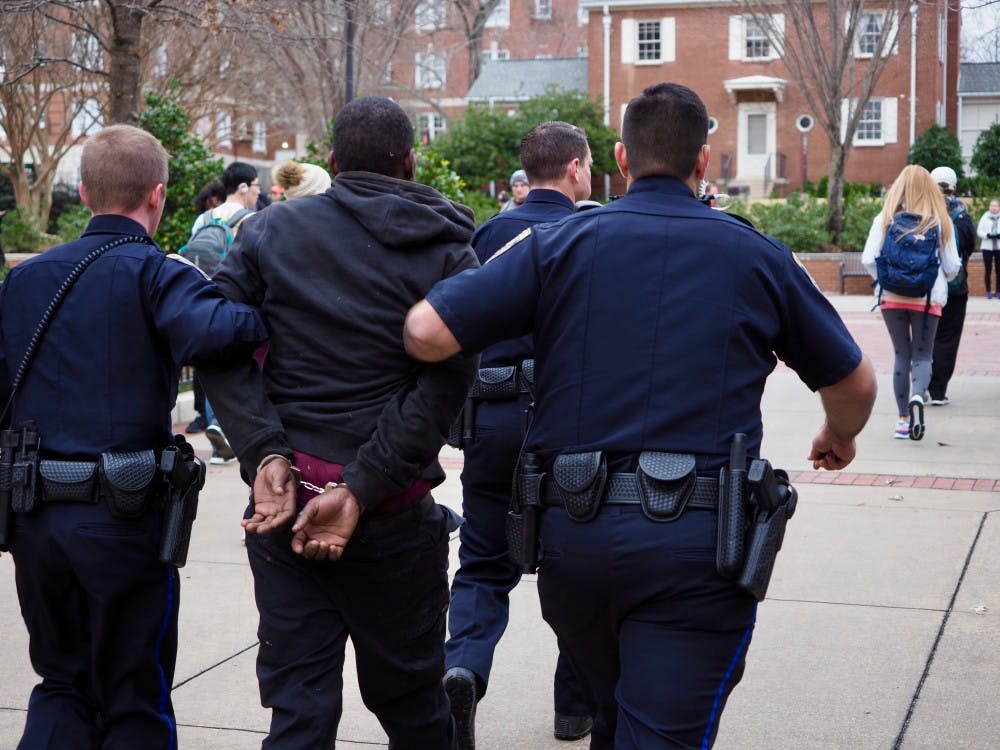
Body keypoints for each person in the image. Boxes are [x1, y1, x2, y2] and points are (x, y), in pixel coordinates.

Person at [403, 82, 877, 750]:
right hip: (698, 552)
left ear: (621, 160)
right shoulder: (754, 255)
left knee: (617, 720)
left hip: (576, 543)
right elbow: (854, 381)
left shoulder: (559, 245)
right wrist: (840, 435)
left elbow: (425, 331)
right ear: (703, 163)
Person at [198, 96, 479, 749]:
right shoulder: (447, 250)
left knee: (299, 713)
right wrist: (361, 487)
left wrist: (268, 456)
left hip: (288, 507)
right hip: (392, 515)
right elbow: (447, 381)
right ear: (410, 162)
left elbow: (215, 344)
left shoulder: (270, 232)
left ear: (331, 161)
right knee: (414, 710)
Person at [0, 124, 266, 750]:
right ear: (158, 195)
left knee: (61, 683)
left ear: (87, 193)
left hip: (34, 516)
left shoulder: (26, 281)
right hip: (120, 518)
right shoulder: (155, 273)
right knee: (132, 693)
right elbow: (221, 331)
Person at [443, 121, 594, 750]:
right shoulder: (593, 233)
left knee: (482, 558)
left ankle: (465, 667)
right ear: (578, 169)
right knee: (580, 567)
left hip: (495, 415)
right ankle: (573, 706)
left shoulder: (486, 235)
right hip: (568, 421)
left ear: (525, 172)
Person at [862, 164, 961, 440]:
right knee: (922, 355)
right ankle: (918, 395)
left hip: (891, 298)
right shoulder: (940, 220)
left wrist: (888, 279)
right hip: (927, 298)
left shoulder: (885, 217)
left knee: (901, 356)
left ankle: (903, 419)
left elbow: (869, 259)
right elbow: (953, 266)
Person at [190, 161, 260, 464]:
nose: (259, 192)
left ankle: (218, 431)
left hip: (202, 299)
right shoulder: (253, 219)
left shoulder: (203, 219)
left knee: (211, 366)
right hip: (237, 302)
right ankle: (227, 428)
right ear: (243, 187)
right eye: (256, 186)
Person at [927, 166, 975, 406]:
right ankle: (938, 391)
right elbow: (969, 246)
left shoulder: (922, 211)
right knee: (948, 338)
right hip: (955, 288)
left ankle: (919, 387)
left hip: (924, 288)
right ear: (954, 187)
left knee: (924, 337)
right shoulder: (962, 216)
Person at [186, 179, 231, 435]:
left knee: (200, 357)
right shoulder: (246, 215)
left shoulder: (202, 221)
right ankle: (216, 421)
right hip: (227, 294)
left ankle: (204, 415)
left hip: (199, 290)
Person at [977, 198, 1000, 299]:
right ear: (989, 207)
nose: (994, 208)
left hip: (999, 247)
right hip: (987, 247)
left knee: (999, 270)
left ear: (999, 207)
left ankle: (998, 291)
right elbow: (979, 231)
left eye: (996, 206)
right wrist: (987, 235)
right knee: (988, 269)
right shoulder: (985, 217)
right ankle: (988, 291)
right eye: (992, 206)